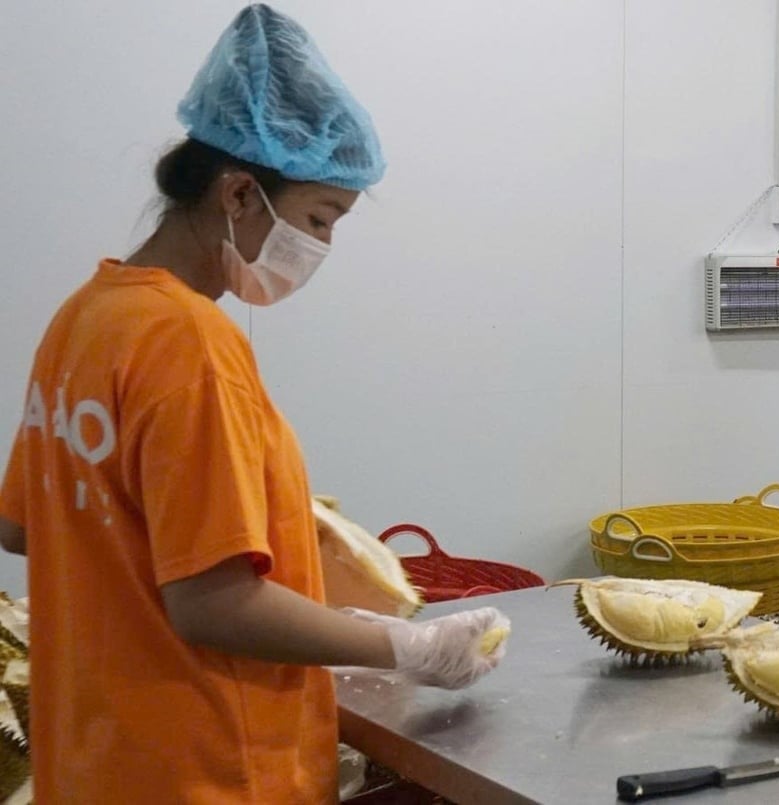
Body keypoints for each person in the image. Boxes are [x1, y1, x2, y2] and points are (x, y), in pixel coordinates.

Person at [0, 6, 507, 802]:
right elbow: (214, 603)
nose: (322, 249)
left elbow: (27, 525)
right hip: (205, 766)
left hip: (95, 760)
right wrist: (403, 646)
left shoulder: (84, 317)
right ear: (239, 192)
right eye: (318, 218)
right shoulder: (189, 339)